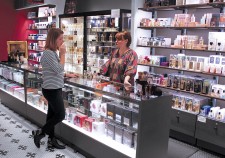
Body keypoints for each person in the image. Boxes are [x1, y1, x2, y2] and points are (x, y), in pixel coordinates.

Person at [32, 28, 78, 149]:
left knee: (51, 116)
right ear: (53, 39)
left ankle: (51, 140)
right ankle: (40, 133)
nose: (62, 42)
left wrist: (67, 74)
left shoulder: (51, 53)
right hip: (51, 90)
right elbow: (58, 69)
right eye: (60, 39)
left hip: (54, 88)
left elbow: (55, 71)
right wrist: (63, 54)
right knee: (60, 115)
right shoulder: (48, 53)